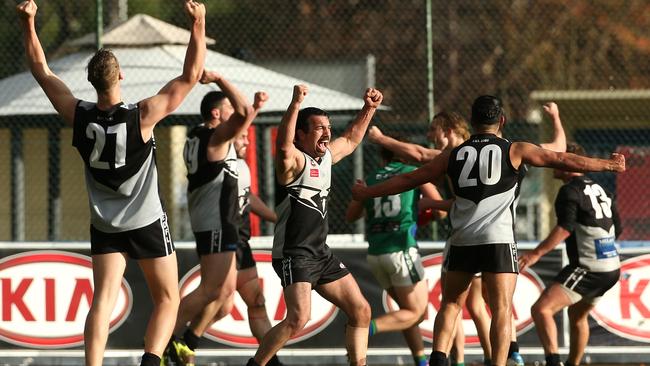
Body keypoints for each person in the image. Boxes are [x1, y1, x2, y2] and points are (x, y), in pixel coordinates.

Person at [351, 95, 625, 366]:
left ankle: (439, 359)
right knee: (501, 309)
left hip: (461, 241)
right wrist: (608, 165)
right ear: (502, 120)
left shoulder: (453, 155)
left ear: (472, 122)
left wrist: (367, 192)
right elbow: (562, 159)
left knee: (451, 304)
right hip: (498, 240)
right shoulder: (515, 150)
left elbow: (410, 178)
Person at [16, 1, 205, 365]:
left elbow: (42, 72)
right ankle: (150, 360)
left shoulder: (78, 114)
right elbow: (191, 75)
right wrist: (198, 22)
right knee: (168, 298)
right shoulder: (143, 116)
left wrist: (28, 23)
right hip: (146, 220)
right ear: (121, 78)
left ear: (91, 81)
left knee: (102, 300)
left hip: (105, 224)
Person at [246, 84, 383, 366]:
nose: (327, 132)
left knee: (361, 310)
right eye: (319, 128)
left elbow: (352, 138)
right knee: (298, 319)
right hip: (294, 254)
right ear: (301, 134)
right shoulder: (293, 162)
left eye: (328, 127)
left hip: (320, 253)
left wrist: (369, 108)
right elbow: (283, 145)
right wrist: (295, 104)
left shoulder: (326, 158)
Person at [182, 94, 285, 366]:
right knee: (217, 294)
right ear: (217, 115)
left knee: (252, 301)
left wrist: (276, 218)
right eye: (242, 137)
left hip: (236, 236)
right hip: (221, 228)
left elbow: (247, 198)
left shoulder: (237, 164)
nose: (246, 139)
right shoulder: (217, 144)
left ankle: (268, 361)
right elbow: (236, 126)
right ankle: (175, 342)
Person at [164, 71, 256, 365]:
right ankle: (163, 342)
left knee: (225, 298)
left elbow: (243, 115)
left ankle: (184, 343)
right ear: (217, 114)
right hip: (214, 221)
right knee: (211, 290)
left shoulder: (204, 136)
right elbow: (242, 113)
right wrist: (219, 79)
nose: (234, 117)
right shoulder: (213, 138)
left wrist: (256, 109)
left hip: (220, 221)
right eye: (227, 110)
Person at [518, 142, 622, 366]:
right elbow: (618, 229)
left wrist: (534, 254)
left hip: (589, 267)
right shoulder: (603, 189)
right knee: (577, 316)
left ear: (570, 163)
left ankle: (553, 362)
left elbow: (565, 227)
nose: (553, 162)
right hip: (611, 268)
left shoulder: (570, 191)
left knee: (541, 309)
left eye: (558, 159)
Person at [345, 139, 444, 366]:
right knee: (417, 313)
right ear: (406, 153)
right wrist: (423, 214)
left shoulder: (371, 179)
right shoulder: (414, 172)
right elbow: (439, 208)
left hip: (376, 253)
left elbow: (351, 216)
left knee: (405, 312)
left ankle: (420, 360)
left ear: (382, 157)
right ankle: (365, 328)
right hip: (401, 250)